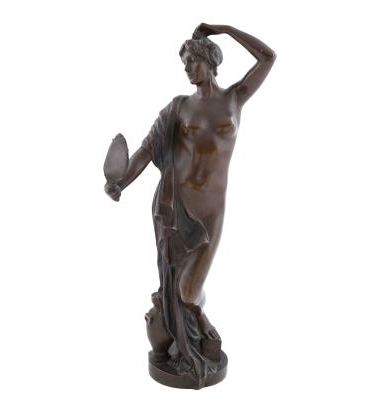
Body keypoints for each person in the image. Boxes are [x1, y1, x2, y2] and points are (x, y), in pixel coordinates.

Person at [105, 23, 275, 388]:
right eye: (183, 63)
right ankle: (190, 336)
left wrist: (223, 29)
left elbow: (268, 57)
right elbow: (146, 149)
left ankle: (196, 328)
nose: (186, 68)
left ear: (209, 61)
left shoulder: (235, 99)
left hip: (211, 212)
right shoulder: (178, 107)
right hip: (174, 209)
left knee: (187, 289)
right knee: (177, 288)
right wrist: (120, 182)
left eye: (191, 61)